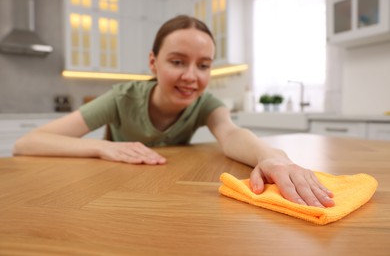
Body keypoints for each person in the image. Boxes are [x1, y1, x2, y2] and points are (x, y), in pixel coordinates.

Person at [13, 15, 334, 208]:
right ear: (153, 62)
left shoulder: (204, 103)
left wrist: (272, 157)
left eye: (204, 65)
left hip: (175, 192)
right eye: (178, 61)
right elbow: (27, 143)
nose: (192, 76)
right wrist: (102, 146)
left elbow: (231, 133)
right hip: (117, 195)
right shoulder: (121, 98)